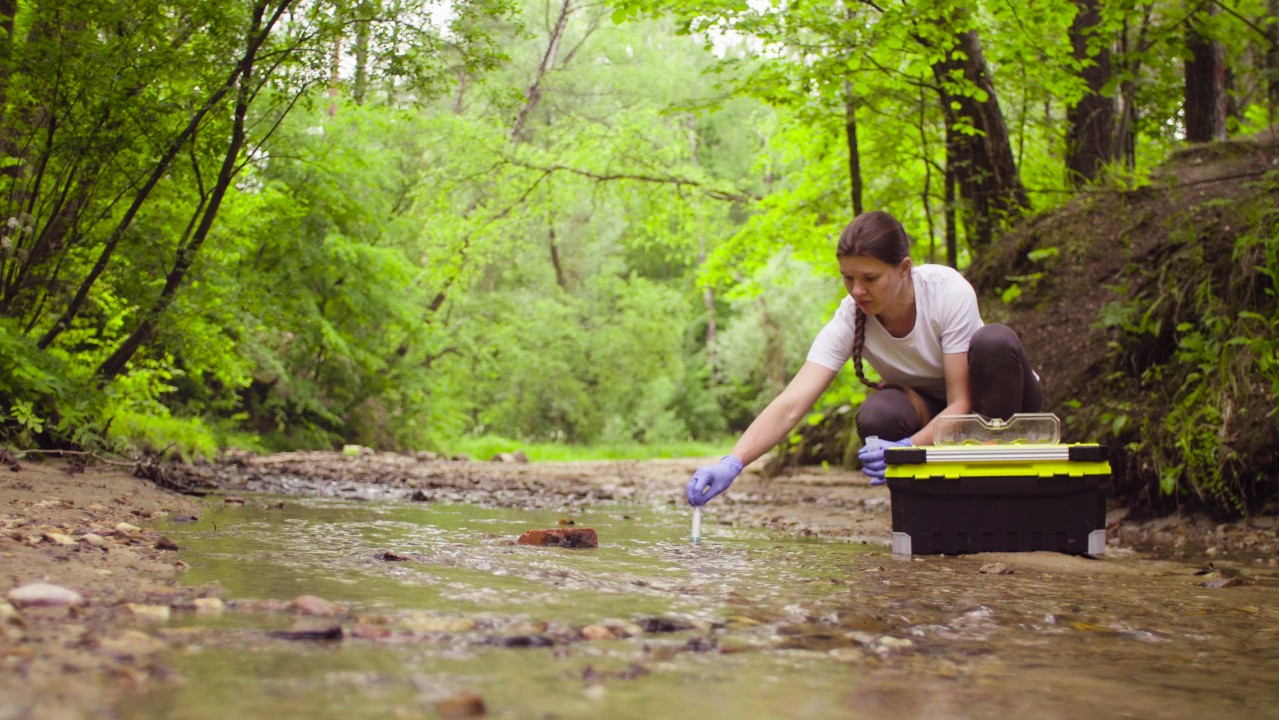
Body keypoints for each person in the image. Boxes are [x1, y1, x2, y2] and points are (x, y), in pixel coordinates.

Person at [686, 210, 1043, 506]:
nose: (858, 290)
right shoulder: (850, 316)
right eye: (848, 278)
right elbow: (791, 404)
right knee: (878, 414)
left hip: (996, 404)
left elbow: (962, 403)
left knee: (995, 341)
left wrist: (906, 449)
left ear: (904, 268)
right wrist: (733, 462)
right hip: (932, 411)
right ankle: (931, 510)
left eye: (870, 278)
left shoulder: (946, 291)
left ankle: (1004, 495)